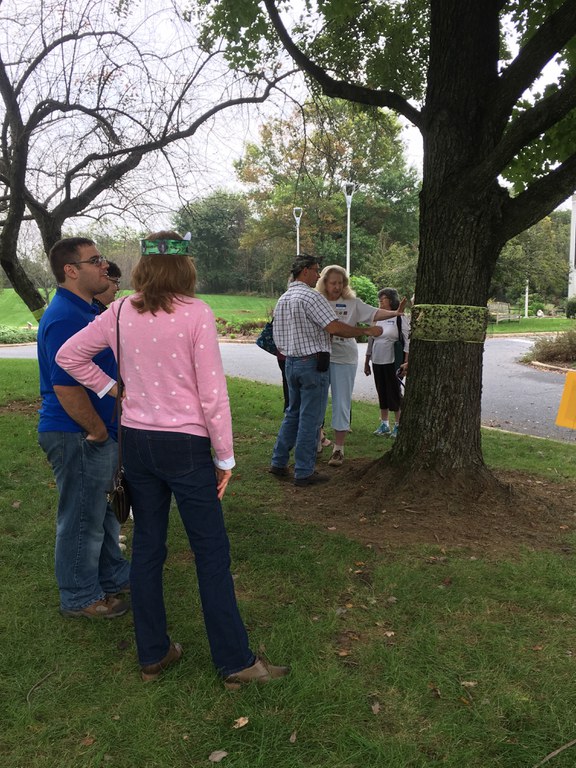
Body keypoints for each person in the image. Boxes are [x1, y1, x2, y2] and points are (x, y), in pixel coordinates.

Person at [56, 230, 289, 688]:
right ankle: (235, 662)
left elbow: (69, 356)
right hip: (184, 447)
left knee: (147, 548)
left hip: (138, 442)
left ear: (144, 267)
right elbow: (212, 393)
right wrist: (225, 456)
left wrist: (113, 388)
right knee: (210, 553)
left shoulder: (120, 311)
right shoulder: (196, 313)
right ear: (185, 268)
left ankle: (154, 653)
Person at [37, 237, 130, 619]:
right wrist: (97, 430)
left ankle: (113, 576)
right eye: (95, 261)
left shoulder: (87, 310)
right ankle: (78, 596)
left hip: (89, 431)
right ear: (70, 270)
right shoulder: (65, 316)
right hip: (75, 432)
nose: (104, 267)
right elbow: (64, 383)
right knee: (80, 518)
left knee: (101, 513)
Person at [270, 253, 383, 486]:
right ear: (305, 271)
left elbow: (277, 336)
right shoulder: (312, 298)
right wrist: (367, 331)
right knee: (310, 418)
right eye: (316, 270)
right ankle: (303, 471)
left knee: (293, 412)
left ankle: (278, 462)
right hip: (312, 364)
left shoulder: (283, 298)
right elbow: (334, 327)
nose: (318, 275)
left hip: (291, 362)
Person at [315, 265, 405, 466]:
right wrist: (366, 331)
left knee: (342, 402)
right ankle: (316, 441)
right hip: (320, 356)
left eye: (341, 283)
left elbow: (374, 313)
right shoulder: (317, 301)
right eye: (333, 283)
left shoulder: (352, 303)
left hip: (344, 358)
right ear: (324, 283)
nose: (337, 287)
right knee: (316, 401)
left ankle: (338, 448)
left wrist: (396, 313)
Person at [364, 287, 410, 437]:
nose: (380, 302)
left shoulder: (399, 317)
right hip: (377, 359)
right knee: (381, 390)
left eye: (382, 299)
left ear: (391, 300)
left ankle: (398, 424)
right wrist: (367, 361)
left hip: (393, 360)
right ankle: (384, 424)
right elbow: (371, 339)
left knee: (394, 391)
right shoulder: (377, 317)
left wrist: (406, 361)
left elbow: (407, 340)